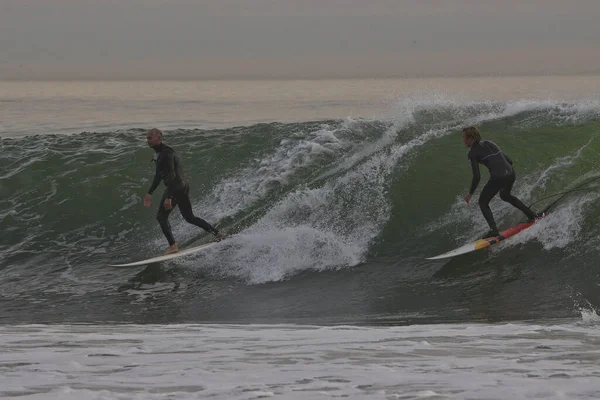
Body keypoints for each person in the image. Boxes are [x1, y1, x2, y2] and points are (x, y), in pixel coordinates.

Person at [143, 128, 225, 254]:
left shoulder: (166, 153)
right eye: (147, 137)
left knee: (161, 217)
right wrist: (150, 192)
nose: (147, 140)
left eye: (150, 138)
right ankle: (217, 233)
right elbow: (158, 175)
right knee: (189, 217)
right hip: (182, 186)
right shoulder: (159, 153)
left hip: (175, 187)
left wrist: (169, 197)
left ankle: (173, 246)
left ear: (159, 138)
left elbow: (171, 175)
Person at [461, 126, 541, 238]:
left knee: (483, 202)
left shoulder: (472, 153)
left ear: (470, 138)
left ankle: (494, 230)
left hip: (498, 176)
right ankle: (532, 215)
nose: (463, 140)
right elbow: (509, 160)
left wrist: (470, 193)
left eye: (464, 137)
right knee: (505, 195)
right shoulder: (490, 143)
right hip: (510, 173)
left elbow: (477, 176)